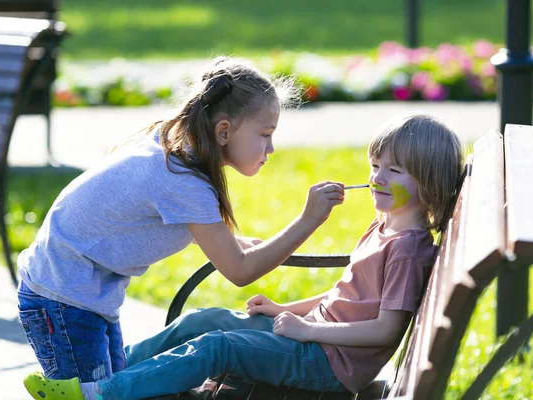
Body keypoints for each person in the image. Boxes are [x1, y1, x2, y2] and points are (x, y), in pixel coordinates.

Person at [23, 113, 464, 400]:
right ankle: (108, 380)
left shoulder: (407, 249)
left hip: (331, 364)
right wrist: (285, 310)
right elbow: (347, 293)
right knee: (202, 321)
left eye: (394, 170)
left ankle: (100, 394)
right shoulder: (384, 228)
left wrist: (307, 331)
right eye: (374, 165)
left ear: (428, 182)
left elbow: (386, 328)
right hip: (319, 341)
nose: (377, 177)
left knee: (220, 346)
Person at [17, 56, 346, 385]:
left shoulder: (173, 148)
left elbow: (145, 218)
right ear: (224, 131)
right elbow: (240, 271)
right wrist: (309, 220)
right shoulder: (185, 181)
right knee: (96, 394)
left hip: (75, 292)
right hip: (63, 299)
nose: (270, 147)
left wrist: (231, 244)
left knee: (115, 387)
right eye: (265, 134)